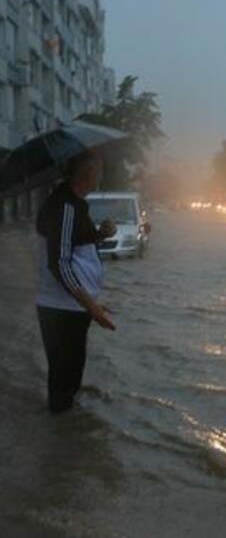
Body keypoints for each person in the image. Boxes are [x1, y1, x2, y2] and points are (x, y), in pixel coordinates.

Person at [35, 151, 117, 414]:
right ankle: (58, 427)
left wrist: (100, 234)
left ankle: (65, 431)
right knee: (64, 377)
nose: (101, 177)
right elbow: (59, 262)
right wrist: (92, 306)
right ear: (87, 175)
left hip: (72, 306)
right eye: (99, 172)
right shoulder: (65, 207)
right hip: (62, 308)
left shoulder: (74, 205)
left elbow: (76, 244)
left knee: (72, 373)